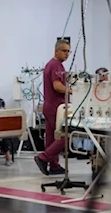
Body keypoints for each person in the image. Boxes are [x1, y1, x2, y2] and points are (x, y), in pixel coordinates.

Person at [34, 39, 71, 176]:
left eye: (69, 51)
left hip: (49, 106)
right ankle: (43, 158)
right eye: (64, 51)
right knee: (64, 136)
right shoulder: (56, 66)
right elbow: (57, 86)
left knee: (51, 138)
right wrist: (74, 90)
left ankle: (54, 165)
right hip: (56, 107)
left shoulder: (51, 64)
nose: (67, 54)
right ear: (56, 51)